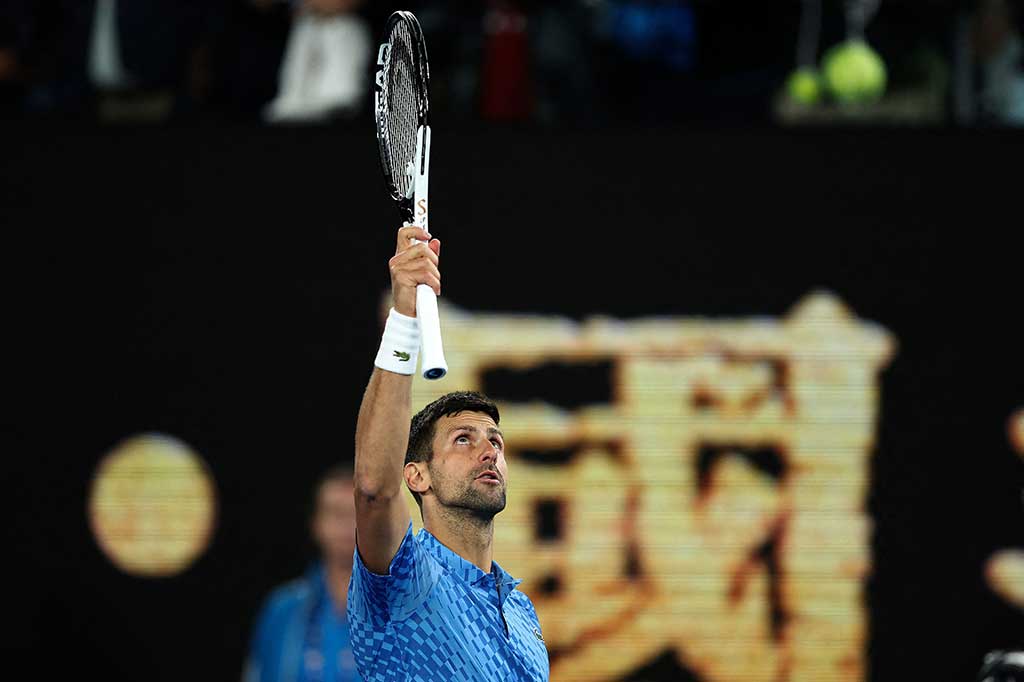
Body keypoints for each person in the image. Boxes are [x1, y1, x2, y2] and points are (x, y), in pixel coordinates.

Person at [347, 225, 549, 681]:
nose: (488, 451)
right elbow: (374, 490)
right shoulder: (406, 580)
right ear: (417, 476)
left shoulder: (522, 611)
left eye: (495, 440)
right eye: (464, 439)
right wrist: (403, 317)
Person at [246, 466, 362, 682]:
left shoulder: (398, 612)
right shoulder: (283, 608)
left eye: (357, 514)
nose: (347, 525)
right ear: (316, 524)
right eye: (336, 513)